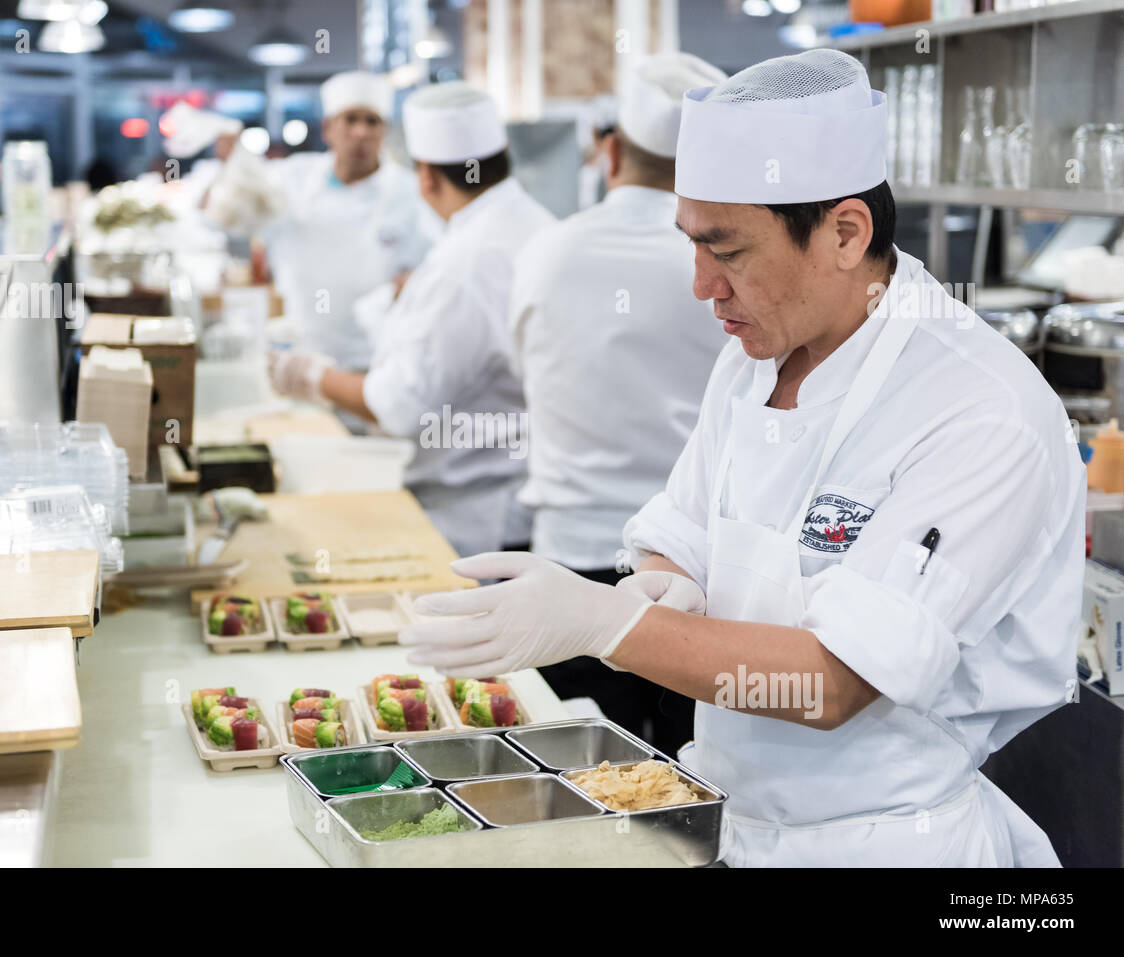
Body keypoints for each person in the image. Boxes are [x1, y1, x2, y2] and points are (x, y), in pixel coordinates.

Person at [399, 50, 1085, 867]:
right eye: (691, 244)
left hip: (885, 845)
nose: (701, 286)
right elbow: (682, 529)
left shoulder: (979, 408)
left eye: (727, 252)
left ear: (844, 232)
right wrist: (666, 581)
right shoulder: (761, 352)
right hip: (727, 822)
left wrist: (607, 622)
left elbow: (831, 683)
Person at [508, 52, 728, 756]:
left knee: (580, 792)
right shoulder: (723, 262)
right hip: (694, 578)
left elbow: (526, 374)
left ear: (609, 151)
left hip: (572, 565)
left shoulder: (545, 251)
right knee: (691, 794)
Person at [268, 82, 556, 557]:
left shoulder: (464, 263)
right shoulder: (535, 223)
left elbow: (396, 405)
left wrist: (307, 375)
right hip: (518, 492)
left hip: (474, 515)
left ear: (426, 178)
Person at [212, 71, 434, 373]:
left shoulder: (410, 193)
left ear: (385, 131)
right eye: (351, 119)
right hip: (302, 352)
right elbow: (231, 218)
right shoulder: (293, 179)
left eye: (372, 122)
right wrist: (237, 165)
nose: (361, 132)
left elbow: (431, 271)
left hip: (380, 360)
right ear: (328, 128)